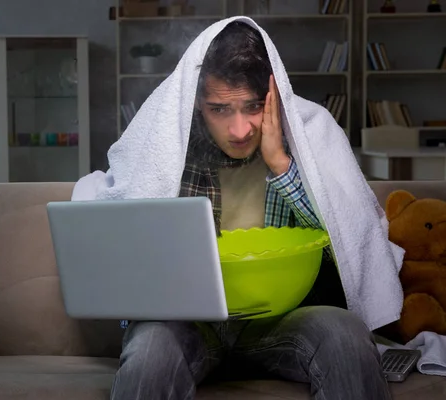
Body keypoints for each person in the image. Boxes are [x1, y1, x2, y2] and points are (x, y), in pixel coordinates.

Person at [109, 21, 392, 400]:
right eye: (220, 109)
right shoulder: (168, 148)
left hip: (281, 321)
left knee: (345, 335)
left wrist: (280, 165)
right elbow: (131, 247)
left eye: (253, 107)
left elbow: (344, 243)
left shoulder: (306, 139)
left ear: (273, 95)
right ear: (196, 101)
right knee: (149, 351)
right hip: (192, 324)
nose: (240, 129)